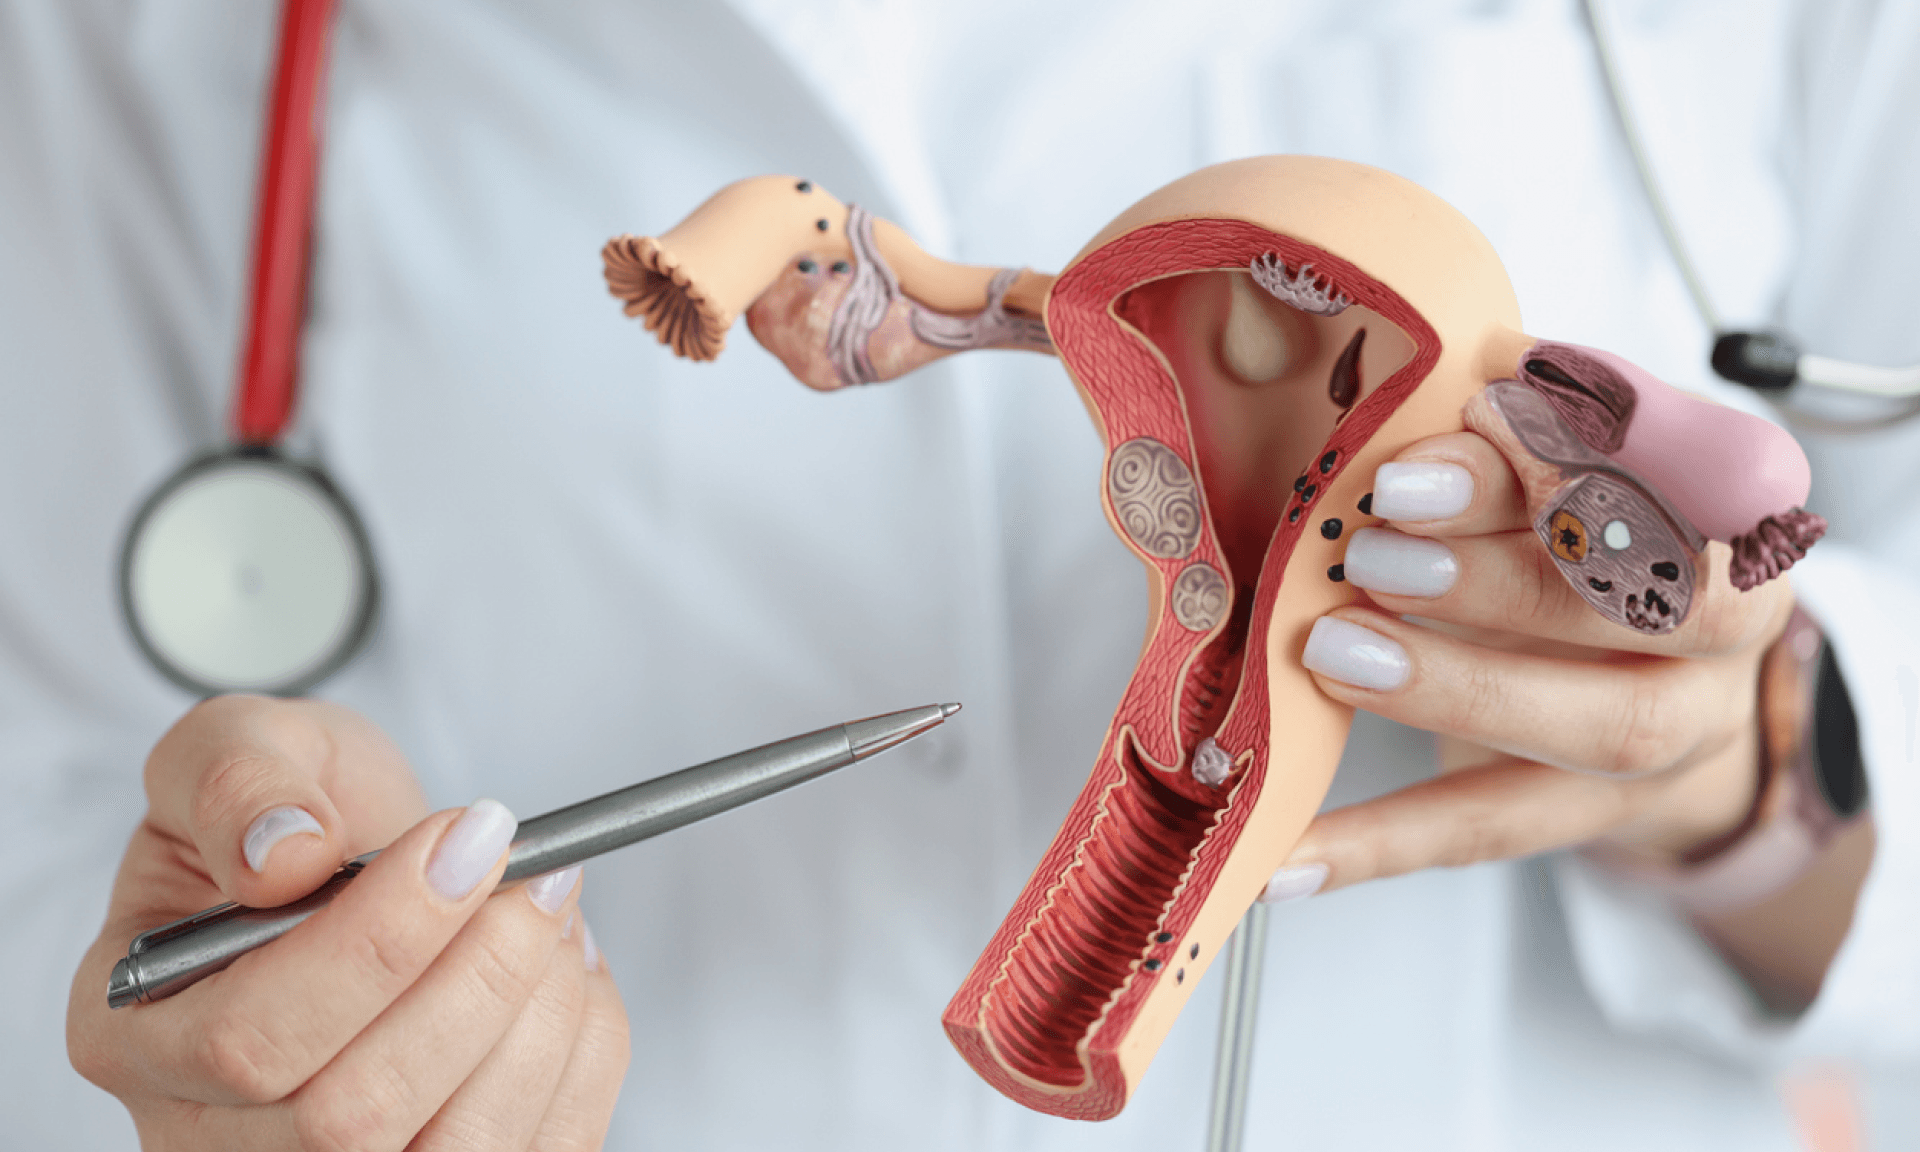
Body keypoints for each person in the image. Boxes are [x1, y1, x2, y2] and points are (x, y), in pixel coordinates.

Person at [6, 0, 1916, 1146]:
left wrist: (1760, 771)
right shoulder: (150, 48)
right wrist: (232, 1060)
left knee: (1207, 733)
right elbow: (51, 815)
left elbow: (1772, 524)